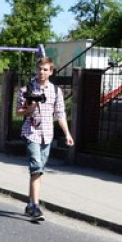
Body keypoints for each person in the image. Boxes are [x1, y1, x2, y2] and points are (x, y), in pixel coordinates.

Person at [17, 56, 73, 222]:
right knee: (36, 168)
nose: (42, 72)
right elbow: (18, 112)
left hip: (47, 134)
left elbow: (60, 114)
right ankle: (35, 206)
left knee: (38, 171)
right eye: (40, 69)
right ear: (37, 70)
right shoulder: (26, 89)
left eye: (45, 69)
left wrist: (67, 134)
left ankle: (29, 205)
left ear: (51, 71)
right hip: (31, 132)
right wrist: (30, 108)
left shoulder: (56, 91)